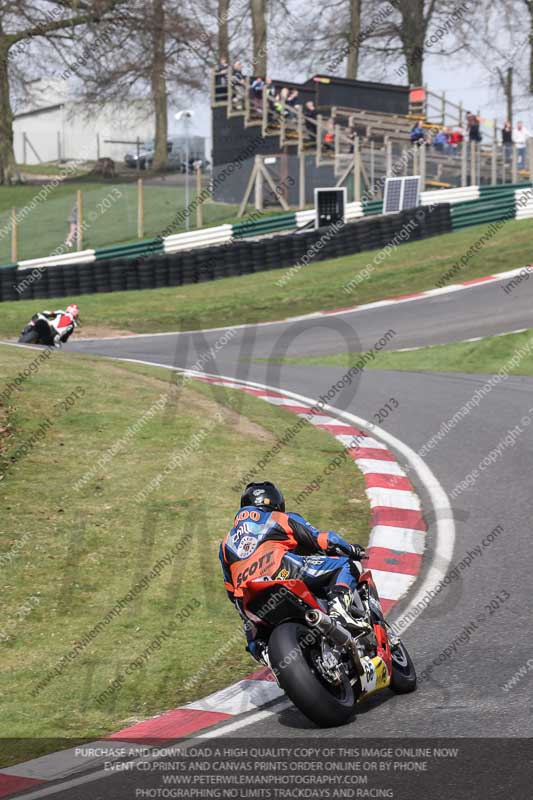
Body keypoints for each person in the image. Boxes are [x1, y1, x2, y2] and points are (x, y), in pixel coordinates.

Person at [219, 481, 368, 665]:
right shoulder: (279, 518)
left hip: (247, 595)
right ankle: (339, 611)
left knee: (254, 636)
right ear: (275, 501)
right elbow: (326, 540)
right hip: (283, 570)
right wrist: (352, 549)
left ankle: (263, 651)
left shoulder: (225, 543)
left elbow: (230, 591)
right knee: (347, 565)